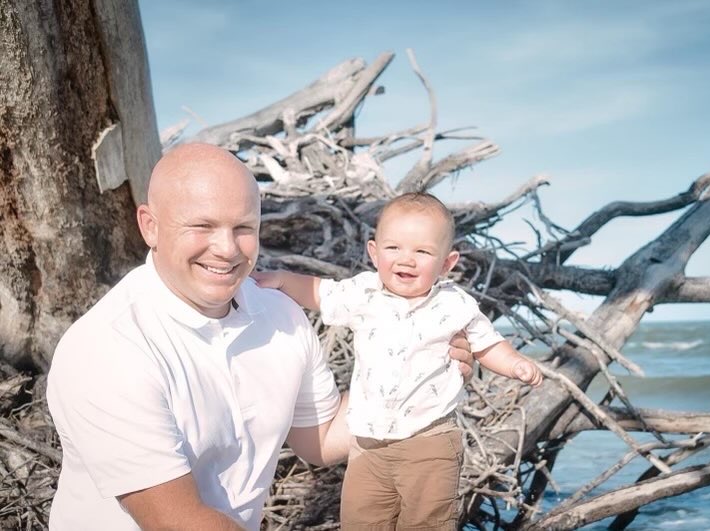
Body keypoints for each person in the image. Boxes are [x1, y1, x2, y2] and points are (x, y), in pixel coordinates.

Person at [45, 144, 474, 531]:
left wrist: (423, 372)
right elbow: (178, 522)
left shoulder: (280, 315)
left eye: (243, 227)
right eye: (203, 225)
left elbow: (321, 439)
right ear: (150, 225)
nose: (227, 249)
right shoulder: (108, 348)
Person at [253, 192, 543, 530]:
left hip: (429, 440)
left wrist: (514, 364)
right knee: (361, 521)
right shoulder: (365, 293)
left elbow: (486, 343)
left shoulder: (454, 304)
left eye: (422, 251)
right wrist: (283, 280)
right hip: (366, 444)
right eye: (394, 248)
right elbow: (321, 292)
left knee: (427, 522)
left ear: (446, 264)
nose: (406, 259)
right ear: (374, 253)